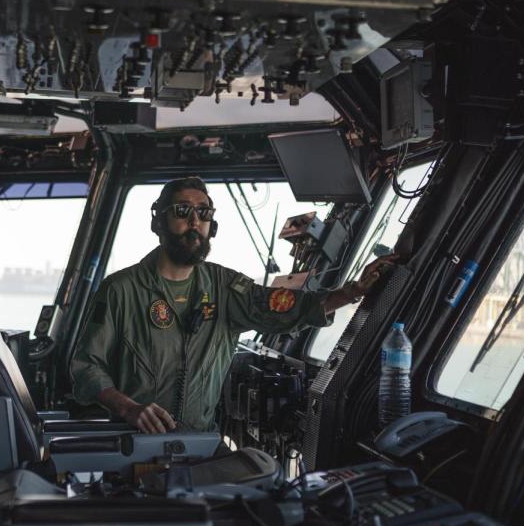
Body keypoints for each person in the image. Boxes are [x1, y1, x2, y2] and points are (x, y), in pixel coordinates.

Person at [70, 177, 396, 434]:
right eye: (182, 212)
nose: (194, 221)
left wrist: (352, 292)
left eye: (204, 213)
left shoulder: (226, 288)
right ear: (158, 223)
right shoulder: (120, 290)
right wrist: (128, 408)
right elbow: (86, 367)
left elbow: (283, 308)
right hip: (132, 441)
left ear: (212, 226)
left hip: (198, 444)